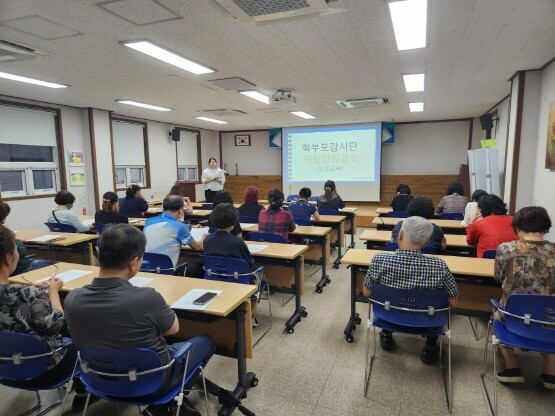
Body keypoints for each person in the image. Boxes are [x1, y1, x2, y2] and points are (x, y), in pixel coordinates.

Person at [64, 224, 215, 415]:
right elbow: (173, 329)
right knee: (206, 341)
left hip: (96, 377)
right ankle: (165, 404)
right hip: (152, 381)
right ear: (134, 262)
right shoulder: (147, 297)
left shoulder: (72, 298)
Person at [0, 225, 92, 412]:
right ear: (9, 257)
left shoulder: (27, 293)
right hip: (44, 371)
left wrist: (37, 296)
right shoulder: (27, 294)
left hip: (4, 371)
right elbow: (59, 323)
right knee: (85, 335)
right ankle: (84, 392)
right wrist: (52, 292)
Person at [363, 216, 459, 363]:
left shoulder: (379, 260)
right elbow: (454, 302)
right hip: (427, 322)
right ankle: (430, 349)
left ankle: (386, 335)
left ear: (400, 235)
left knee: (388, 303)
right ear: (426, 242)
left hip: (388, 317)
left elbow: (366, 293)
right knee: (435, 308)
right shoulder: (440, 266)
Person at [493, 206, 555, 388]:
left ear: (517, 227)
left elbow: (498, 278)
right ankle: (550, 372)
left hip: (513, 317)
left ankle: (511, 366)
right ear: (545, 228)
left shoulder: (506, 249)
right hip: (550, 318)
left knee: (497, 313)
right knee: (547, 317)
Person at [143, 194, 203, 276]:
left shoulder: (148, 221)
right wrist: (204, 239)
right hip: (167, 271)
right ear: (180, 210)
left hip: (146, 268)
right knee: (201, 266)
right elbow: (197, 247)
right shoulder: (179, 226)